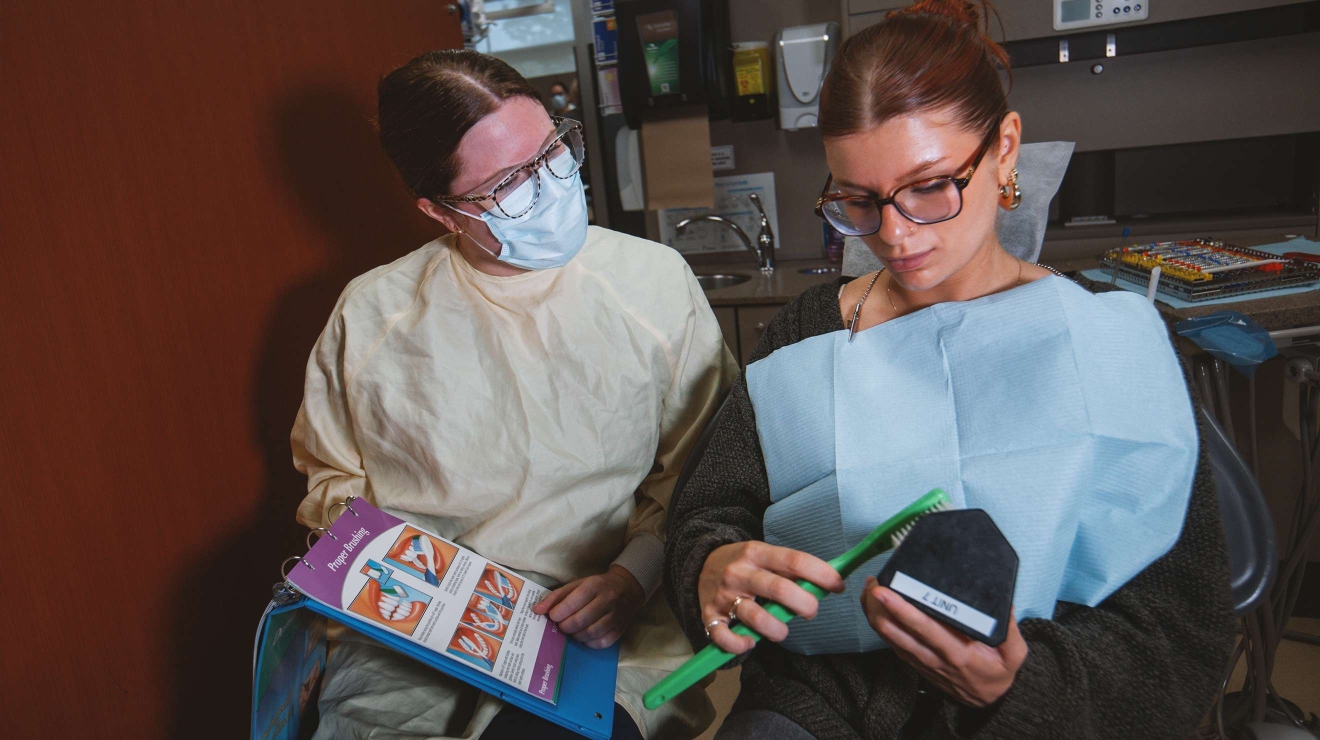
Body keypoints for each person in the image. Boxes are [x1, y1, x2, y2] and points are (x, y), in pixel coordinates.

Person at [663, 2, 1236, 738]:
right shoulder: (808, 336)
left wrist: (1022, 684)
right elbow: (710, 513)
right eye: (859, 202)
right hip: (821, 707)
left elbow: (1180, 630)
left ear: (1004, 149)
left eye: (930, 185)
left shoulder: (1106, 347)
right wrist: (711, 569)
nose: (895, 236)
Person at [292, 49, 737, 739]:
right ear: (440, 212)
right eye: (509, 185)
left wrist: (631, 575)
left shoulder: (652, 284)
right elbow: (333, 485)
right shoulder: (373, 317)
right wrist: (414, 588)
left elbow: (705, 471)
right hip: (411, 633)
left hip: (607, 618)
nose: (553, 188)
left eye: (555, 152)